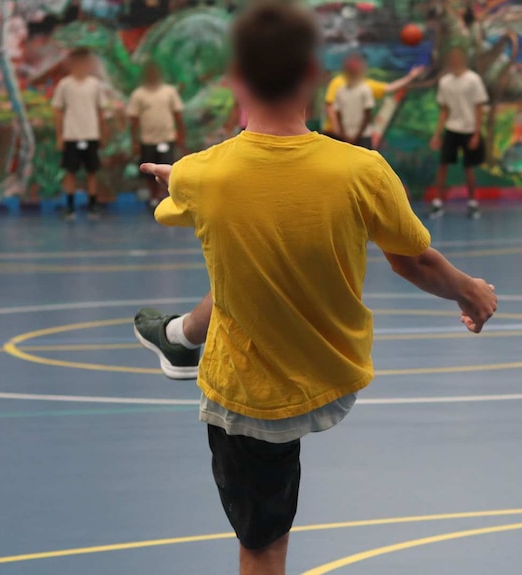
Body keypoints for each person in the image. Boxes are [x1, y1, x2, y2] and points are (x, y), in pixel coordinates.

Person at [134, 4, 497, 574]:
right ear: (313, 76)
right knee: (258, 254)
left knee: (263, 546)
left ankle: (182, 339)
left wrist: (174, 173)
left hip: (251, 397)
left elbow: (181, 197)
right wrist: (470, 291)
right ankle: (181, 336)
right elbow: (415, 262)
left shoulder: (201, 174)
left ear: (234, 79)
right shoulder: (362, 170)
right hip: (332, 370)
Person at [430, 46, 488, 219]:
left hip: (469, 130)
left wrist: (477, 134)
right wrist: (437, 134)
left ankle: (472, 203)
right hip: (452, 129)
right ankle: (437, 202)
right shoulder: (445, 82)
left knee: (468, 167)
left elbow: (479, 108)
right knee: (443, 165)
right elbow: (444, 110)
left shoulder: (473, 80)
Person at [52, 47, 108, 220]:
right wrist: (60, 135)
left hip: (91, 135)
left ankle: (92, 206)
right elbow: (58, 111)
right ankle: (70, 207)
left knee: (92, 172)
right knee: (71, 172)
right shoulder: (65, 85)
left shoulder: (94, 85)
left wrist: (101, 134)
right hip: (72, 136)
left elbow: (100, 111)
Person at [323, 53, 423, 140]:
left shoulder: (365, 86)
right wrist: (338, 131)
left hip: (357, 135)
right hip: (336, 133)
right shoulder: (338, 83)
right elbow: (330, 106)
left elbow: (389, 88)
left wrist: (411, 76)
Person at [127, 61, 186, 208]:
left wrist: (180, 134)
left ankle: (166, 197)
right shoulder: (138, 94)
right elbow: (133, 121)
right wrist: (134, 141)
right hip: (148, 140)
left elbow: (177, 115)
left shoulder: (169, 92)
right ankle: (153, 196)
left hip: (166, 138)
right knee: (149, 171)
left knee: (167, 169)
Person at [332, 56, 375, 148]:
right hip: (345, 137)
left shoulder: (365, 90)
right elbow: (338, 113)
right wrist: (344, 134)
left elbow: (368, 115)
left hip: (363, 136)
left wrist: (357, 136)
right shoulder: (340, 91)